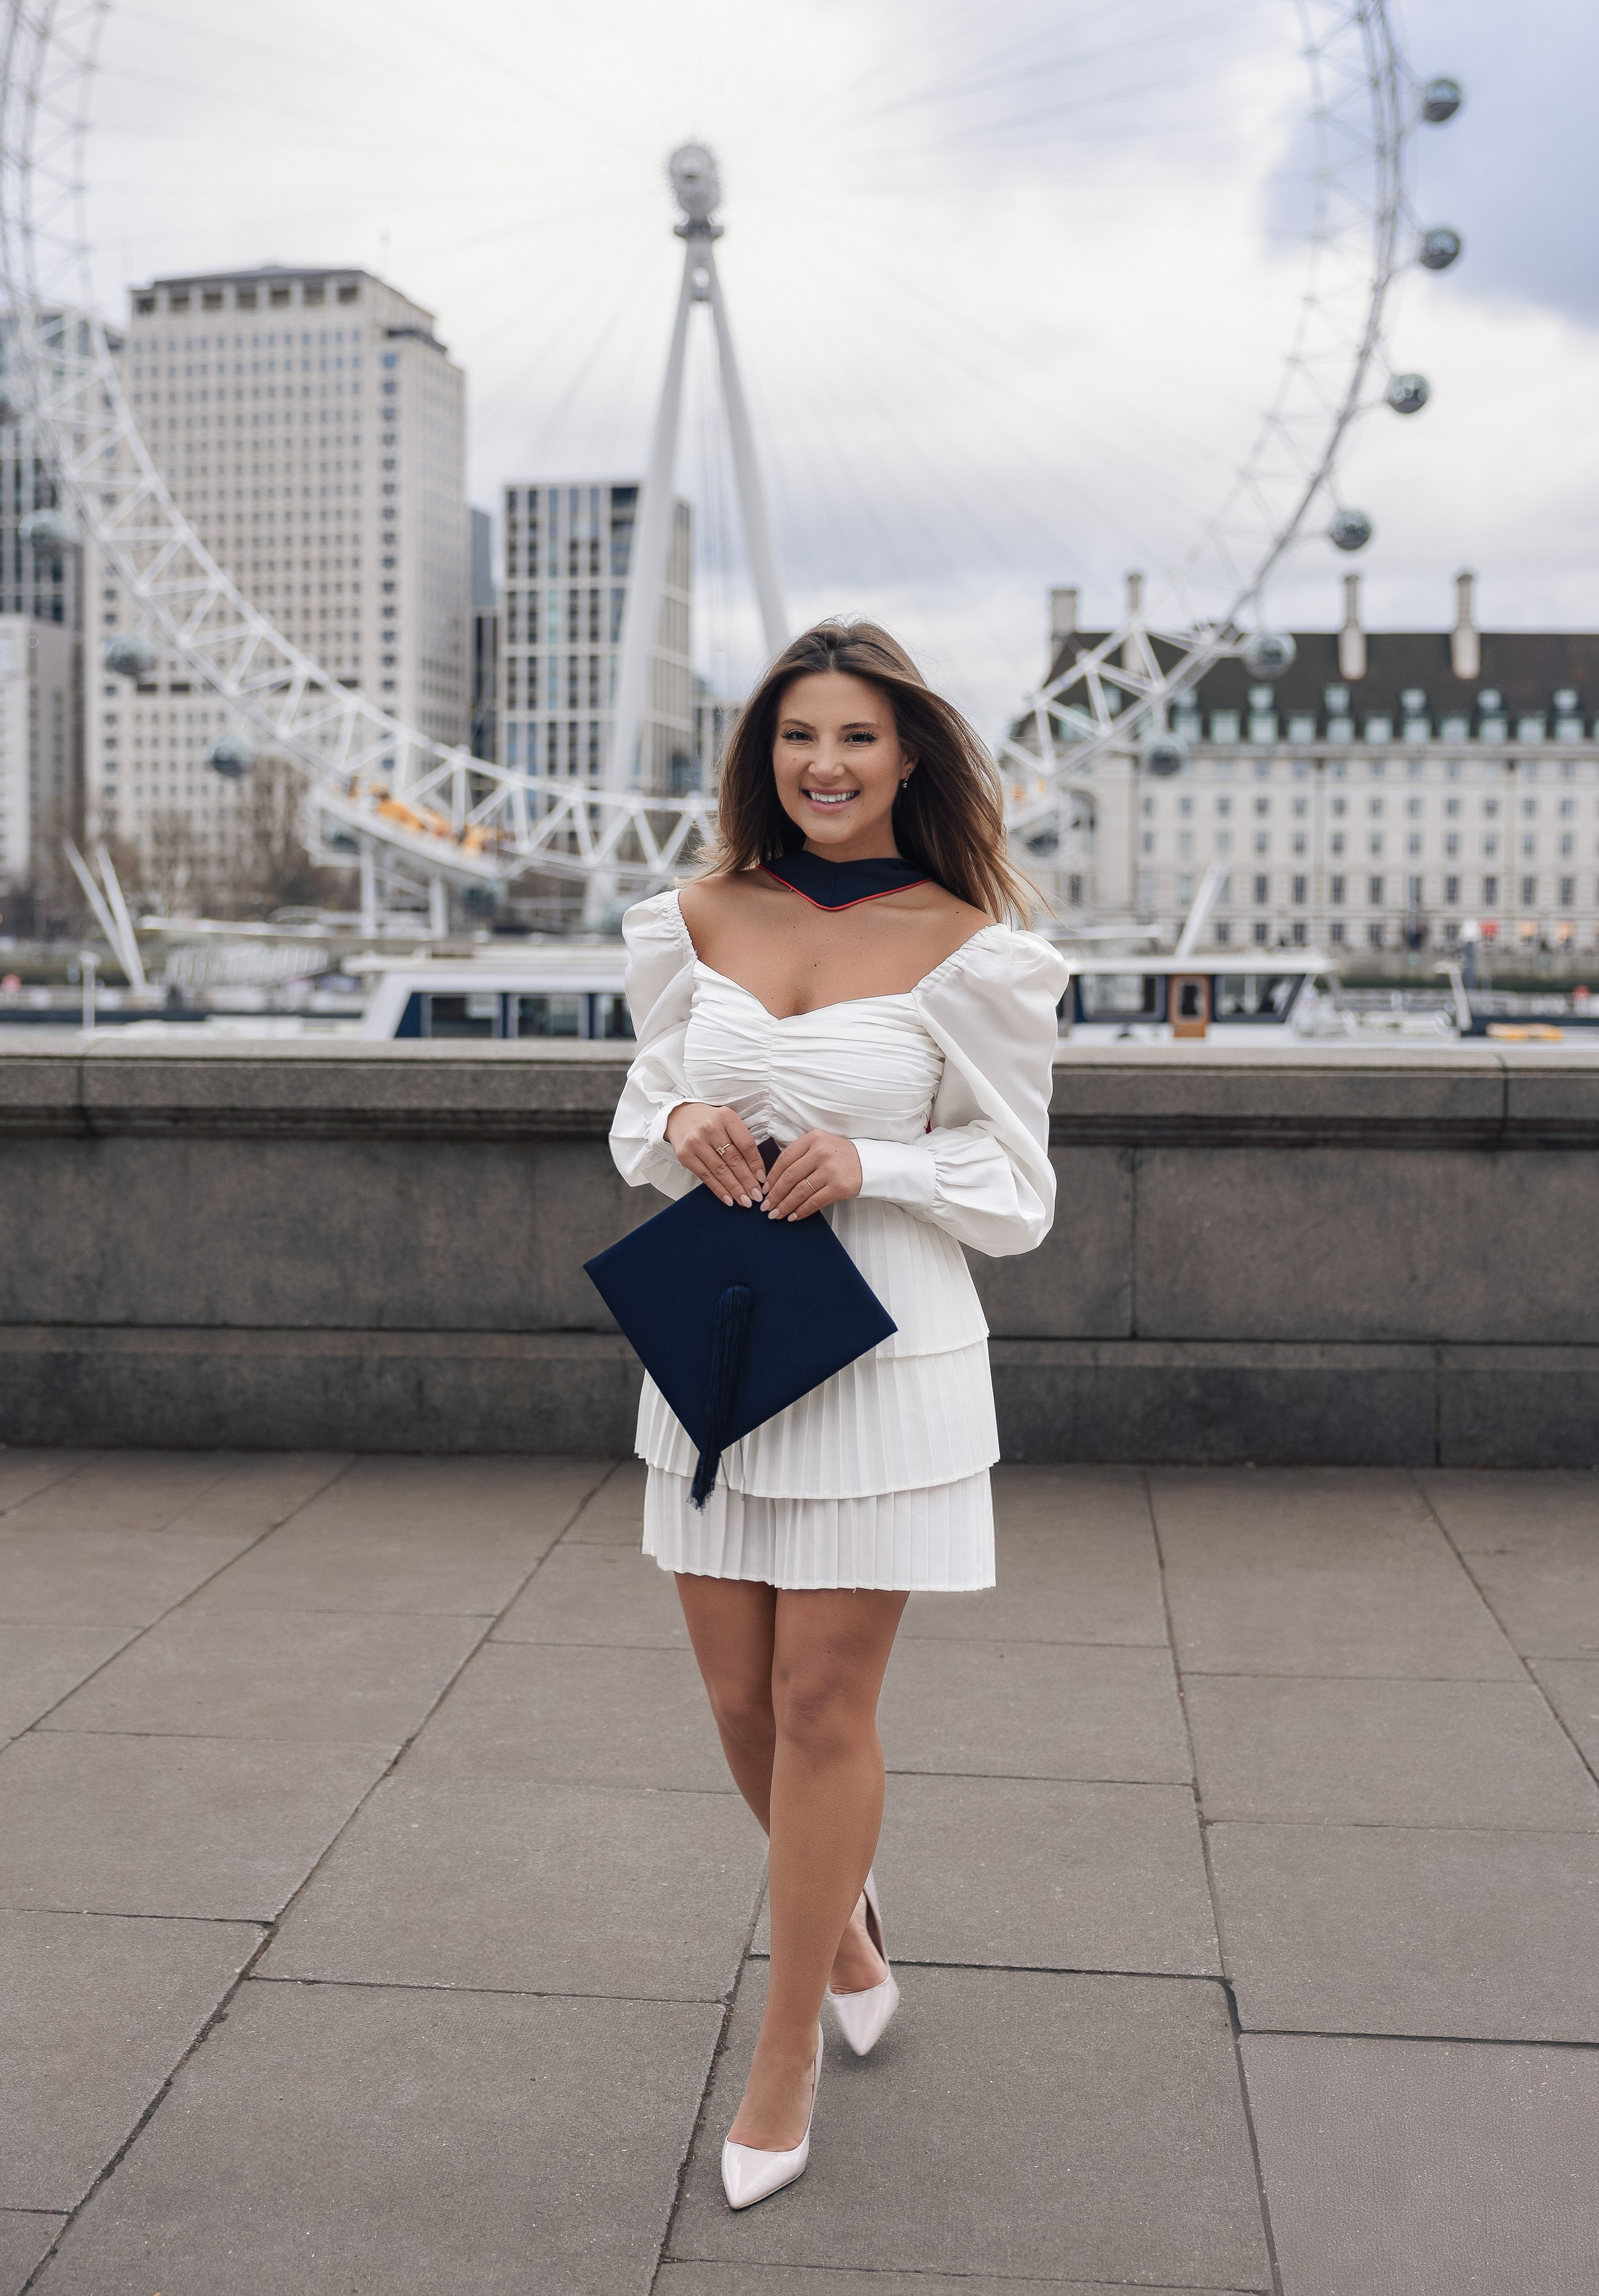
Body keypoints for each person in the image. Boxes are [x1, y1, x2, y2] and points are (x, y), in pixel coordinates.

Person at [609, 619, 1066, 2210]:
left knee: (819, 1707)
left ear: (911, 756)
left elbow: (1016, 1191)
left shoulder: (973, 947)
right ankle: (849, 1921)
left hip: (886, 1360)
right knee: (739, 1707)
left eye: (857, 739)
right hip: (723, 1342)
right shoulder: (695, 915)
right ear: (764, 753)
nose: (824, 765)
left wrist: (876, 1162)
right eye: (798, 736)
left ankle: (785, 2041)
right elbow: (634, 1113)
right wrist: (684, 1113)